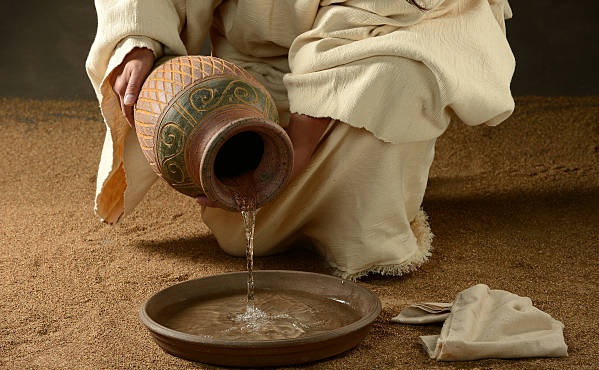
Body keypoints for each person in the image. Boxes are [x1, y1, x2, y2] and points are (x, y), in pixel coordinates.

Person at [86, 0, 515, 280]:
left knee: (395, 81)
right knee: (199, 128)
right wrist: (138, 38)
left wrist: (301, 143)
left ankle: (361, 220)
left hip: (378, 41)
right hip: (255, 62)